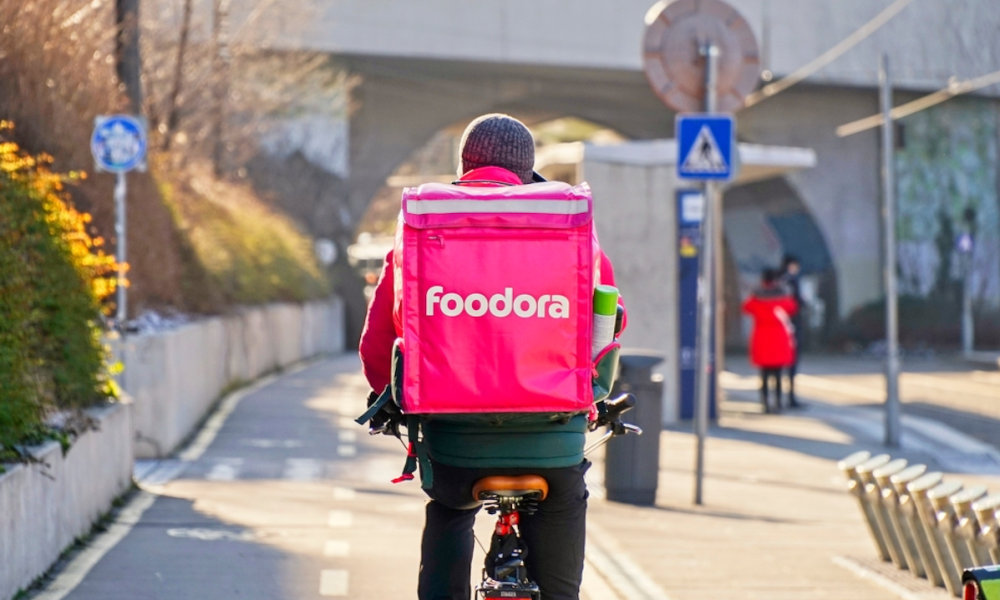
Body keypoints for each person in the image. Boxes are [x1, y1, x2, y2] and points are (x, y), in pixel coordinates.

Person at [359, 113, 625, 600]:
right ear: (529, 171)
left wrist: (388, 399)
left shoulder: (423, 226)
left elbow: (378, 341)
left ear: (464, 164)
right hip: (552, 443)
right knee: (567, 501)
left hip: (454, 445)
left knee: (448, 509)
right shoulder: (569, 228)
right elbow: (611, 323)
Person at [742, 268, 797, 413]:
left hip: (762, 338)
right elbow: (793, 307)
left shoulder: (757, 296)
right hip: (779, 338)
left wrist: (754, 292)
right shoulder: (782, 295)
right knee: (778, 374)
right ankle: (778, 402)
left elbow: (746, 307)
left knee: (764, 374)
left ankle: (765, 403)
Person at [780, 255, 804, 407]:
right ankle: (790, 398)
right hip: (791, 325)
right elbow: (796, 303)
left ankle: (777, 398)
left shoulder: (778, 280)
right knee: (792, 362)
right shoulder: (791, 280)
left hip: (781, 326)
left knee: (776, 365)